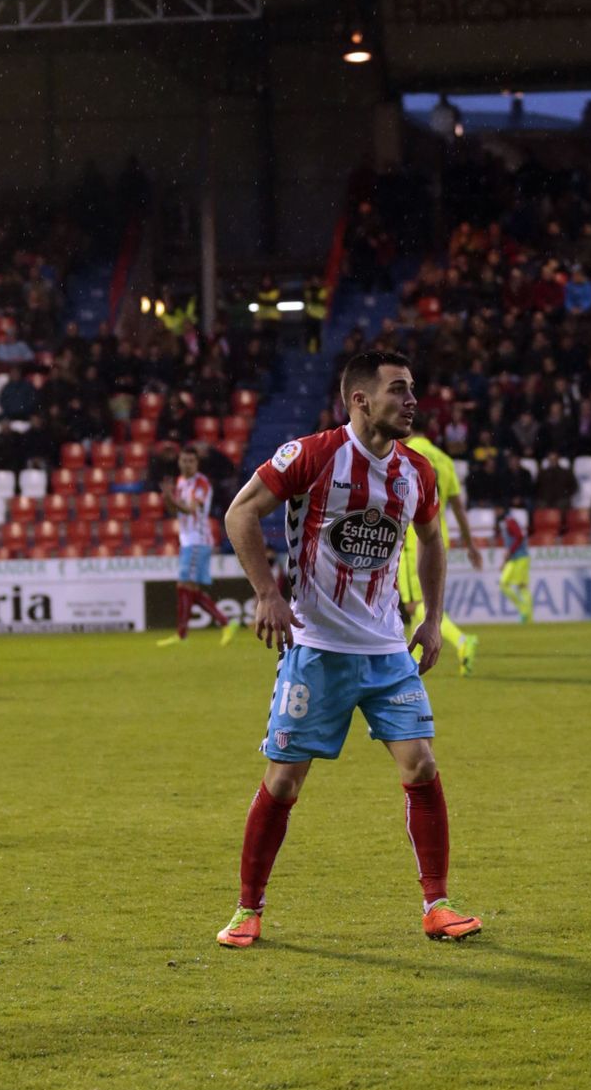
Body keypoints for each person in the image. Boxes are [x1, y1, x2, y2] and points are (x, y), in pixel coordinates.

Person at [215, 349, 481, 949]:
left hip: (388, 653)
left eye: (413, 389)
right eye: (398, 390)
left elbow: (432, 538)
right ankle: (247, 910)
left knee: (423, 766)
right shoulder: (312, 455)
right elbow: (240, 513)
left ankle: (437, 904)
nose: (412, 401)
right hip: (316, 649)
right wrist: (266, 594)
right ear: (359, 400)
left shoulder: (417, 470)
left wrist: (434, 620)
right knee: (284, 782)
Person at [397, 412, 484, 675]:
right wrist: (470, 545)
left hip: (413, 539)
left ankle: (461, 640)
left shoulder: (403, 454)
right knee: (421, 606)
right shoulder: (445, 460)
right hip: (437, 536)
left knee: (415, 605)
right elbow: (458, 507)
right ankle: (412, 666)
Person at [157, 445, 241, 647]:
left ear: (197, 463)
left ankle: (184, 633)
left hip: (198, 540)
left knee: (184, 586)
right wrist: (167, 498)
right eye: (184, 460)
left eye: (190, 461)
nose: (186, 464)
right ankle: (224, 623)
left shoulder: (201, 484)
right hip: (187, 540)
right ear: (179, 462)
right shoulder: (180, 482)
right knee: (189, 589)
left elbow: (190, 510)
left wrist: (170, 498)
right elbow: (173, 510)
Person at [496, 509, 533, 623]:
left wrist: (510, 552)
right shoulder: (507, 523)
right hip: (515, 558)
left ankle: (527, 615)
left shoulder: (509, 522)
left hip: (520, 558)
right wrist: (504, 561)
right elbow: (515, 539)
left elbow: (519, 536)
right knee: (506, 584)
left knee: (521, 586)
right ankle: (525, 612)